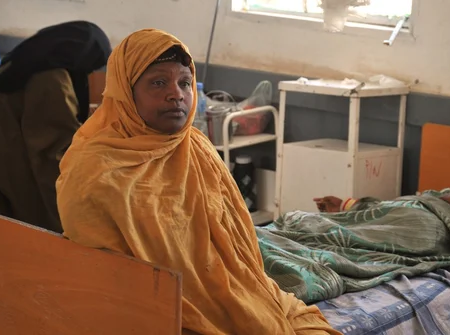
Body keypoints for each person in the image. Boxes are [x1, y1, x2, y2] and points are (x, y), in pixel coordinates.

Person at [56, 29, 340, 335]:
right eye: (158, 82)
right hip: (145, 315)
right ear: (125, 91)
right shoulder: (95, 168)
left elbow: (236, 248)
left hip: (230, 294)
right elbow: (103, 281)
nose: (176, 94)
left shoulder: (197, 148)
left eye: (185, 83)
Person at [0, 21, 111, 233]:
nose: (89, 70)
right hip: (3, 166)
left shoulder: (28, 59)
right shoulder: (49, 78)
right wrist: (70, 213)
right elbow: (52, 152)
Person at [314, 158, 450, 254]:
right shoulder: (437, 196)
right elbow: (392, 208)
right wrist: (346, 206)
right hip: (402, 219)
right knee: (313, 226)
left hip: (418, 233)